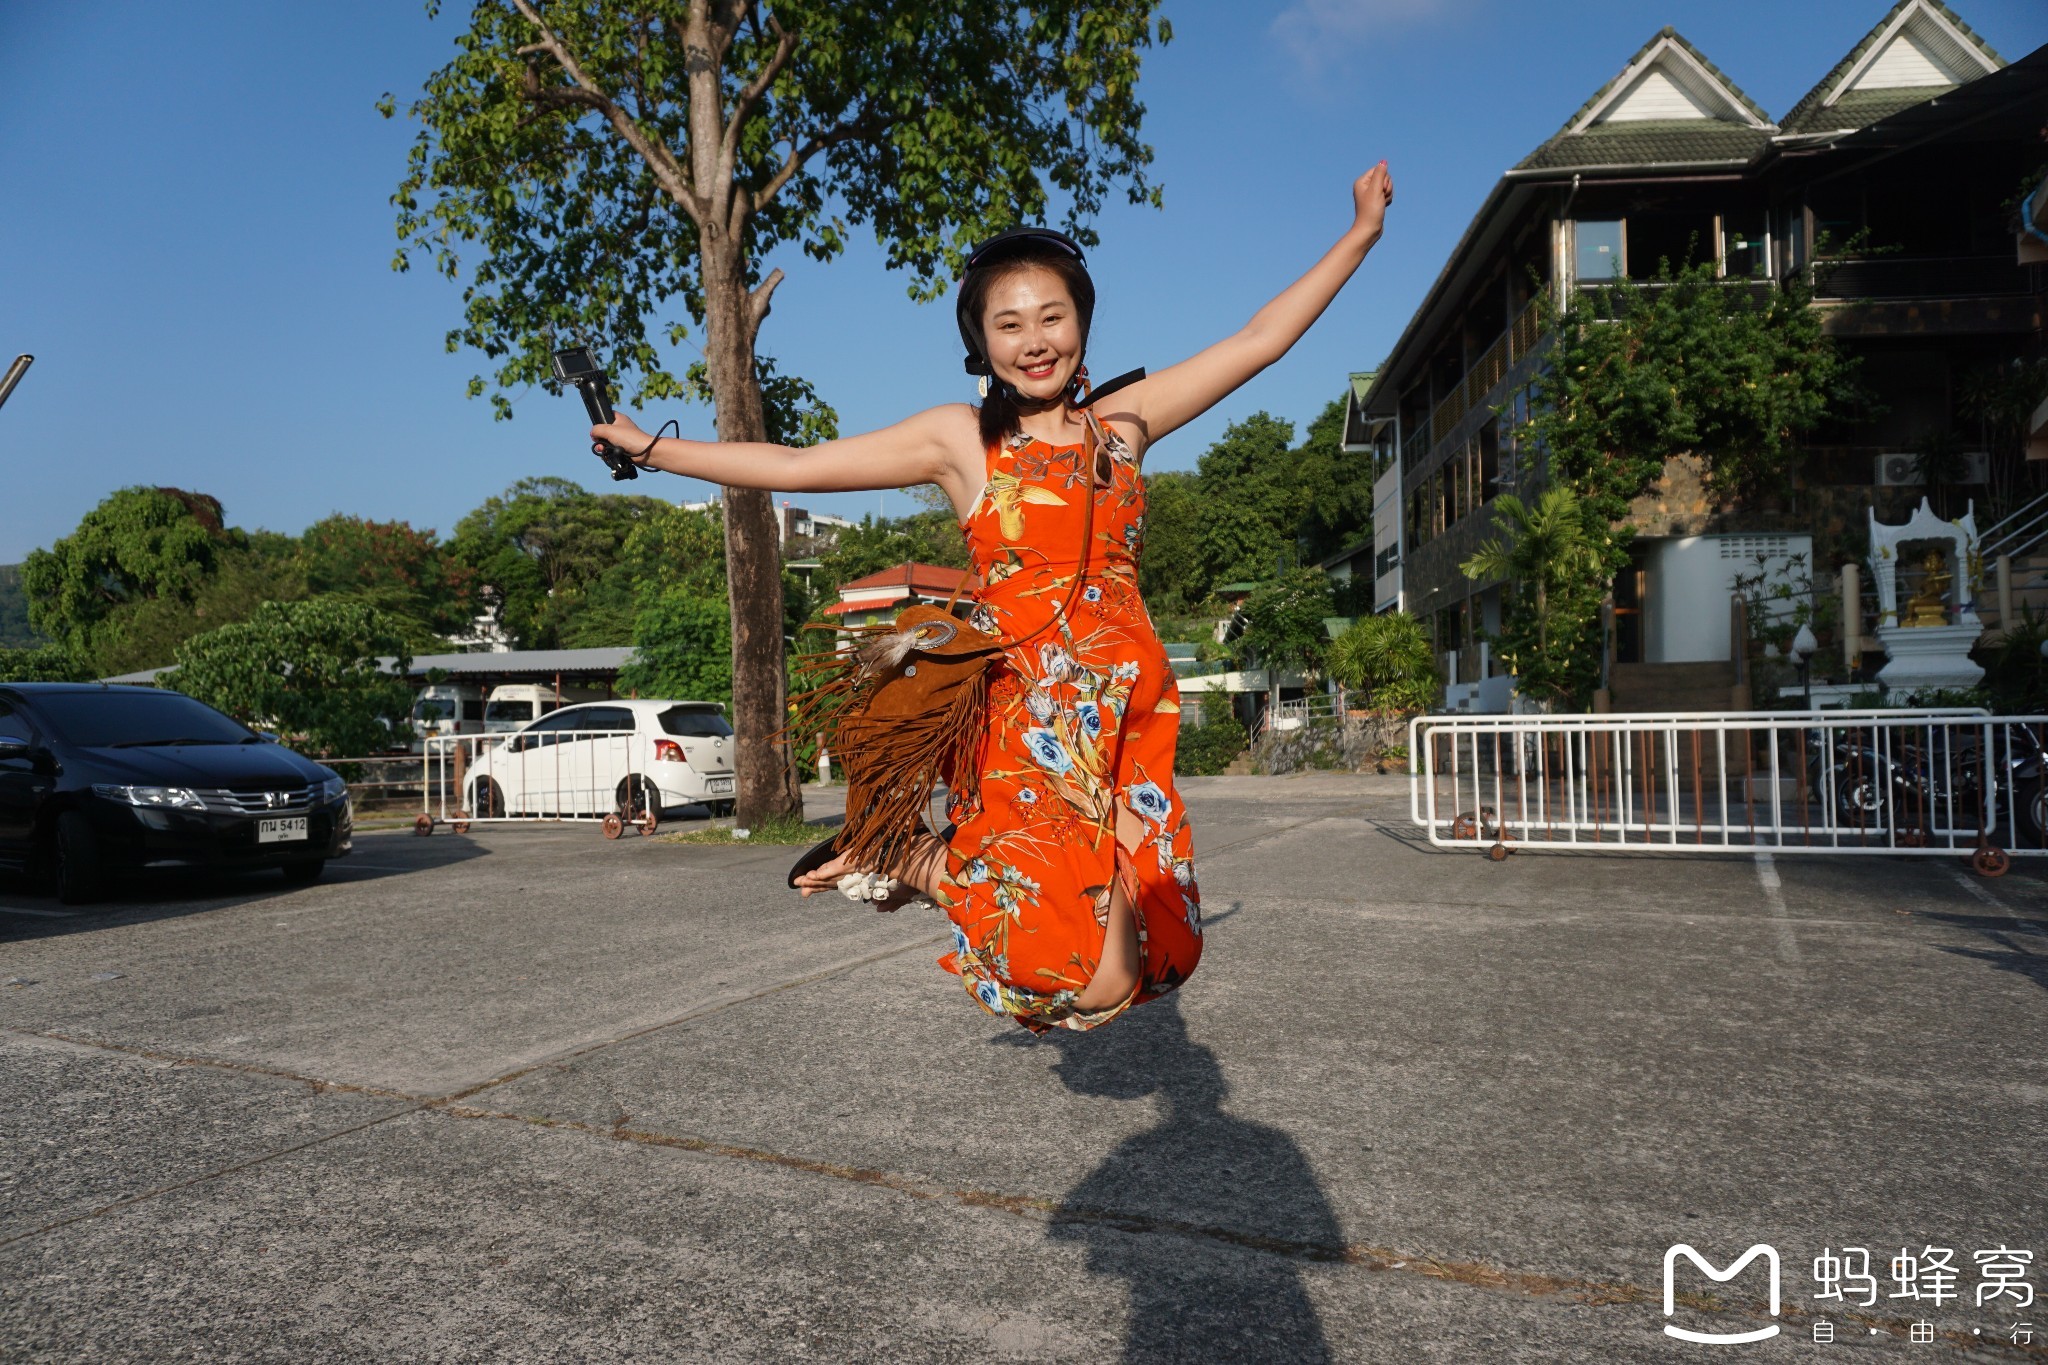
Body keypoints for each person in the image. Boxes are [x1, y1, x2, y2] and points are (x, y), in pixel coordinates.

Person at [592, 163, 1395, 1032]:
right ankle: (915, 856)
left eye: (1052, 315)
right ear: (981, 341)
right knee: (1084, 975)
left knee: (1168, 950)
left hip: (1128, 707)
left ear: (1082, 319)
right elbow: (795, 465)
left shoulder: (1126, 422)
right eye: (1008, 323)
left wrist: (1358, 235)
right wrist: (652, 449)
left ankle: (913, 858)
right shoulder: (962, 441)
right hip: (1024, 711)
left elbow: (1258, 339)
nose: (1035, 338)